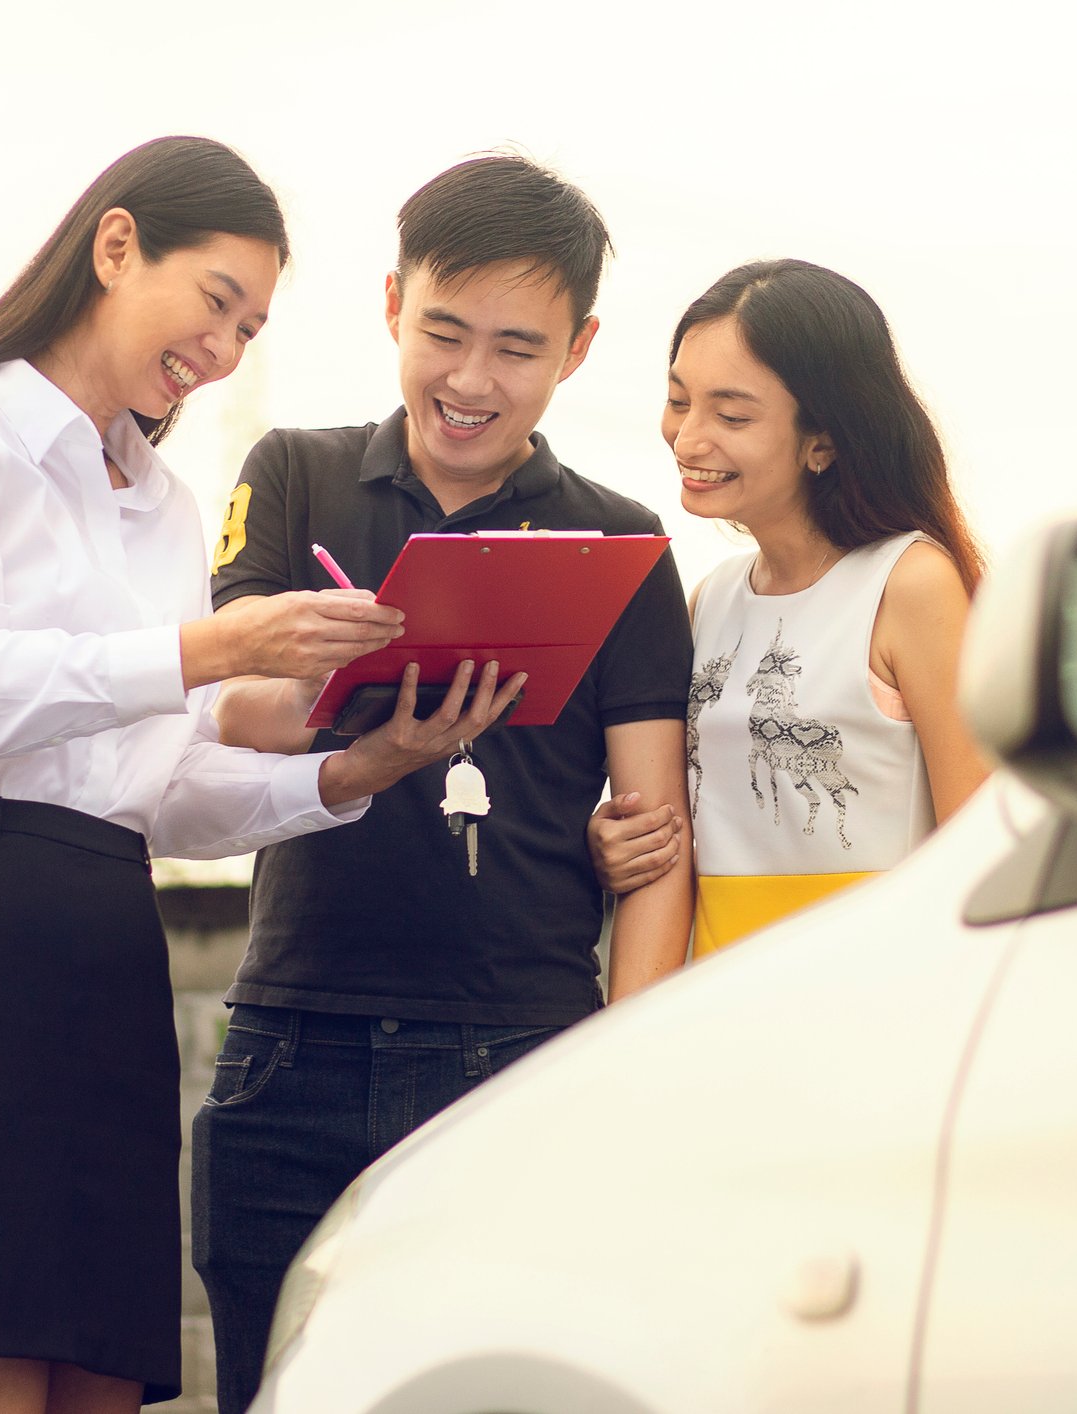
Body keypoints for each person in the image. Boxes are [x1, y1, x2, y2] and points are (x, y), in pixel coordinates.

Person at [0, 137, 513, 1414]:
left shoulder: (163, 501)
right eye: (215, 301)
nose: (225, 349)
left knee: (101, 1379)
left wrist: (360, 766)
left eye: (250, 326)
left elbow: (164, 785)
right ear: (117, 244)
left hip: (102, 928)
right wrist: (217, 644)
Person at [193, 153, 695, 1412]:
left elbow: (655, 832)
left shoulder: (624, 543)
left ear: (576, 350)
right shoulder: (290, 474)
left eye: (516, 349)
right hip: (289, 1041)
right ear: (389, 306)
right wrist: (342, 668)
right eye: (443, 333)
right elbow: (222, 710)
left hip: (519, 1048)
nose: (471, 381)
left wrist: (616, 1070)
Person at [590, 259, 987, 955]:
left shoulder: (911, 584)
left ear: (823, 439)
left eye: (731, 414)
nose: (687, 439)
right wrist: (609, 842)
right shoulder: (711, 599)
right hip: (722, 1009)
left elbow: (980, 846)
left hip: (871, 1006)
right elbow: (690, 828)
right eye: (679, 400)